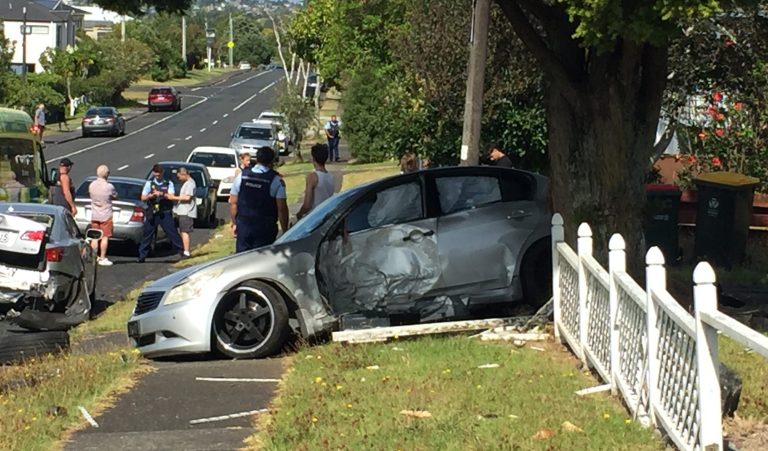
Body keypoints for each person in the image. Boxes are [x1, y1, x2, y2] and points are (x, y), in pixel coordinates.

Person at [229, 147, 289, 253]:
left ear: (257, 159)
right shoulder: (276, 180)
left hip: (244, 226)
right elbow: (282, 209)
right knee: (262, 259)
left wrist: (235, 224)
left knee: (241, 259)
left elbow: (233, 203)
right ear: (272, 161)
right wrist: (285, 231)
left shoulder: (242, 176)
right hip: (265, 229)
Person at [137, 164, 183, 263]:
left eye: (159, 175)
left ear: (162, 173)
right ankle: (142, 255)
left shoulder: (168, 183)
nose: (157, 176)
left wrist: (161, 194)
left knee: (172, 232)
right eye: (155, 174)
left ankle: (182, 252)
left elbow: (171, 196)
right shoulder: (149, 183)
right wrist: (150, 196)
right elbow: (143, 197)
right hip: (153, 211)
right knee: (147, 234)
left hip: (165, 211)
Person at [296, 144, 335, 220]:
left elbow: (307, 205)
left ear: (314, 159)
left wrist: (299, 214)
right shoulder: (331, 177)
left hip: (315, 216)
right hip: (326, 214)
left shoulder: (312, 177)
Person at [88, 165, 117, 266]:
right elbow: (115, 195)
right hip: (106, 214)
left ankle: (94, 256)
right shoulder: (109, 187)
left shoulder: (92, 185)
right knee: (105, 237)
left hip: (95, 214)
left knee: (94, 237)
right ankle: (102, 257)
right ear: (106, 174)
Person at [167, 167, 196, 258]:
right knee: (181, 231)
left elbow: (187, 197)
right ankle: (183, 249)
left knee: (184, 231)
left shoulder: (190, 184)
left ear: (183, 174)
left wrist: (173, 198)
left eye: (179, 176)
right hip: (181, 211)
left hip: (186, 212)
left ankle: (186, 251)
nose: (178, 179)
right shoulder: (187, 183)